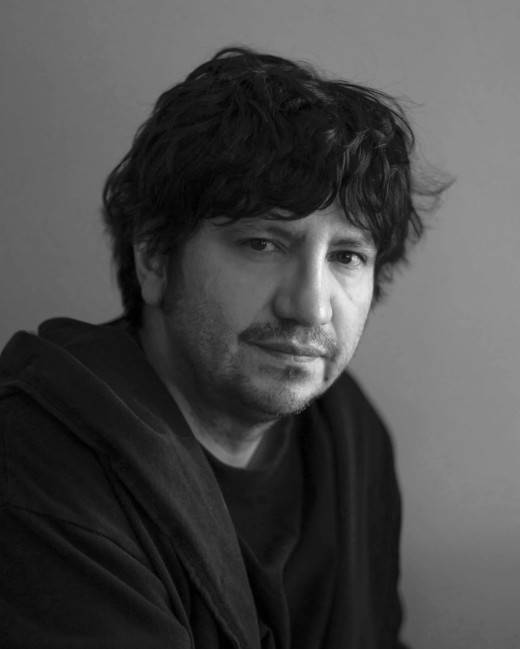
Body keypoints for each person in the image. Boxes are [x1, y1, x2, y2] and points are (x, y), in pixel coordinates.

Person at [0, 47, 447, 648]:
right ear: (154, 258)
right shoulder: (35, 465)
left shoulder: (347, 432)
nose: (310, 307)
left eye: (347, 256)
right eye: (262, 243)